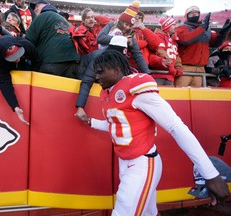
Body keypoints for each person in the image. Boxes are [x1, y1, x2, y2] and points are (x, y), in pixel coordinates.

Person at [79, 50, 230, 215]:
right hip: (126, 162)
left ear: (115, 69)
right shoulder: (107, 92)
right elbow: (120, 126)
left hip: (142, 163)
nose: (96, 77)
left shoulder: (135, 88)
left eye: (100, 72)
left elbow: (175, 126)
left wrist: (209, 173)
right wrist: (92, 122)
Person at [75, 36, 130, 121]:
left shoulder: (120, 59)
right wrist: (80, 106)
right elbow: (87, 81)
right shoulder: (99, 59)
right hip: (80, 74)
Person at [175, 6, 231, 87]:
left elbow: (215, 43)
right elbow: (186, 40)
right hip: (185, 67)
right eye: (191, 13)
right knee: (180, 93)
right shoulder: (182, 28)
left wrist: (223, 33)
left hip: (200, 69)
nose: (194, 14)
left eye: (196, 13)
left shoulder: (206, 30)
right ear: (186, 16)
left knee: (197, 96)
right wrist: (202, 28)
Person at [26, 0, 80, 79]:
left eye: (36, 6)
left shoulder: (41, 16)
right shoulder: (64, 20)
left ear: (43, 6)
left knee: (45, 90)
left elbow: (28, 42)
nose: (35, 9)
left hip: (51, 62)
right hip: (72, 62)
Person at [0, 35, 40, 125]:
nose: (17, 59)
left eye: (17, 55)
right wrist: (15, 106)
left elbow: (37, 60)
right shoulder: (0, 61)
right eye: (13, 58)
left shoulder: (27, 45)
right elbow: (4, 83)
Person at [96, 1, 150, 74]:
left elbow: (137, 55)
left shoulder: (130, 35)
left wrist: (147, 73)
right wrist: (122, 39)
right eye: (126, 24)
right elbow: (100, 38)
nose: (127, 27)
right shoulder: (111, 25)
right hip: (102, 61)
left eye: (130, 26)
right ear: (121, 21)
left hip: (117, 66)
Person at [149, 17, 183, 86]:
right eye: (173, 25)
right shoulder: (158, 36)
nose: (176, 27)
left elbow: (176, 55)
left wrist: (178, 68)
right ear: (167, 26)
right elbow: (160, 51)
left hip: (170, 75)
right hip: (159, 74)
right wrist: (170, 66)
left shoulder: (173, 40)